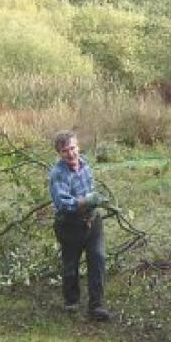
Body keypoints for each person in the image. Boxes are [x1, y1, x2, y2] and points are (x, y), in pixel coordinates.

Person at [49, 130, 111, 322]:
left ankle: (97, 306)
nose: (71, 154)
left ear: (78, 146)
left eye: (73, 148)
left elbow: (90, 189)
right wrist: (85, 201)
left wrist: (95, 201)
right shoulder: (58, 174)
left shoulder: (85, 164)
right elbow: (63, 203)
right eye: (65, 150)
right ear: (59, 153)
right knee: (71, 265)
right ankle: (71, 300)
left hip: (92, 221)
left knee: (98, 259)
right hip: (69, 225)